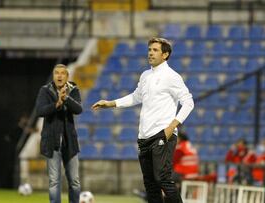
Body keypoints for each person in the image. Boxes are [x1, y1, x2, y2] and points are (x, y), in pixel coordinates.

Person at [92, 37, 194, 203]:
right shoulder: (146, 75)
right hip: (144, 136)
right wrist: (110, 103)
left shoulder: (172, 76)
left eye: (155, 50)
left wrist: (171, 127)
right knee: (151, 185)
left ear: (165, 54)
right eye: (149, 50)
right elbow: (136, 97)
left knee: (162, 179)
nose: (150, 53)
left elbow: (189, 102)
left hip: (163, 134)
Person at [35, 64, 82, 203]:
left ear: (67, 76)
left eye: (62, 73)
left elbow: (78, 109)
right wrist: (57, 104)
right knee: (54, 182)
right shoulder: (45, 90)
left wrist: (66, 99)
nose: (59, 76)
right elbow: (40, 111)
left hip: (70, 143)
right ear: (53, 76)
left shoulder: (73, 90)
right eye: (56, 73)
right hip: (51, 142)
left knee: (74, 181)